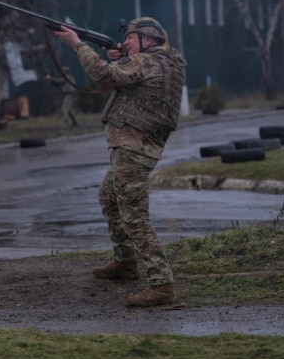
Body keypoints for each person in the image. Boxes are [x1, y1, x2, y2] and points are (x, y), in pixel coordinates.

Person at [53, 17, 187, 307]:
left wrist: (76, 44)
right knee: (109, 197)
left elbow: (103, 74)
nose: (125, 42)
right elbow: (123, 76)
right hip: (134, 146)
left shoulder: (147, 62)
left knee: (135, 217)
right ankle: (126, 263)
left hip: (134, 148)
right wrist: (124, 57)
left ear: (148, 40)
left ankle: (162, 284)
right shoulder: (159, 62)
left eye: (131, 38)